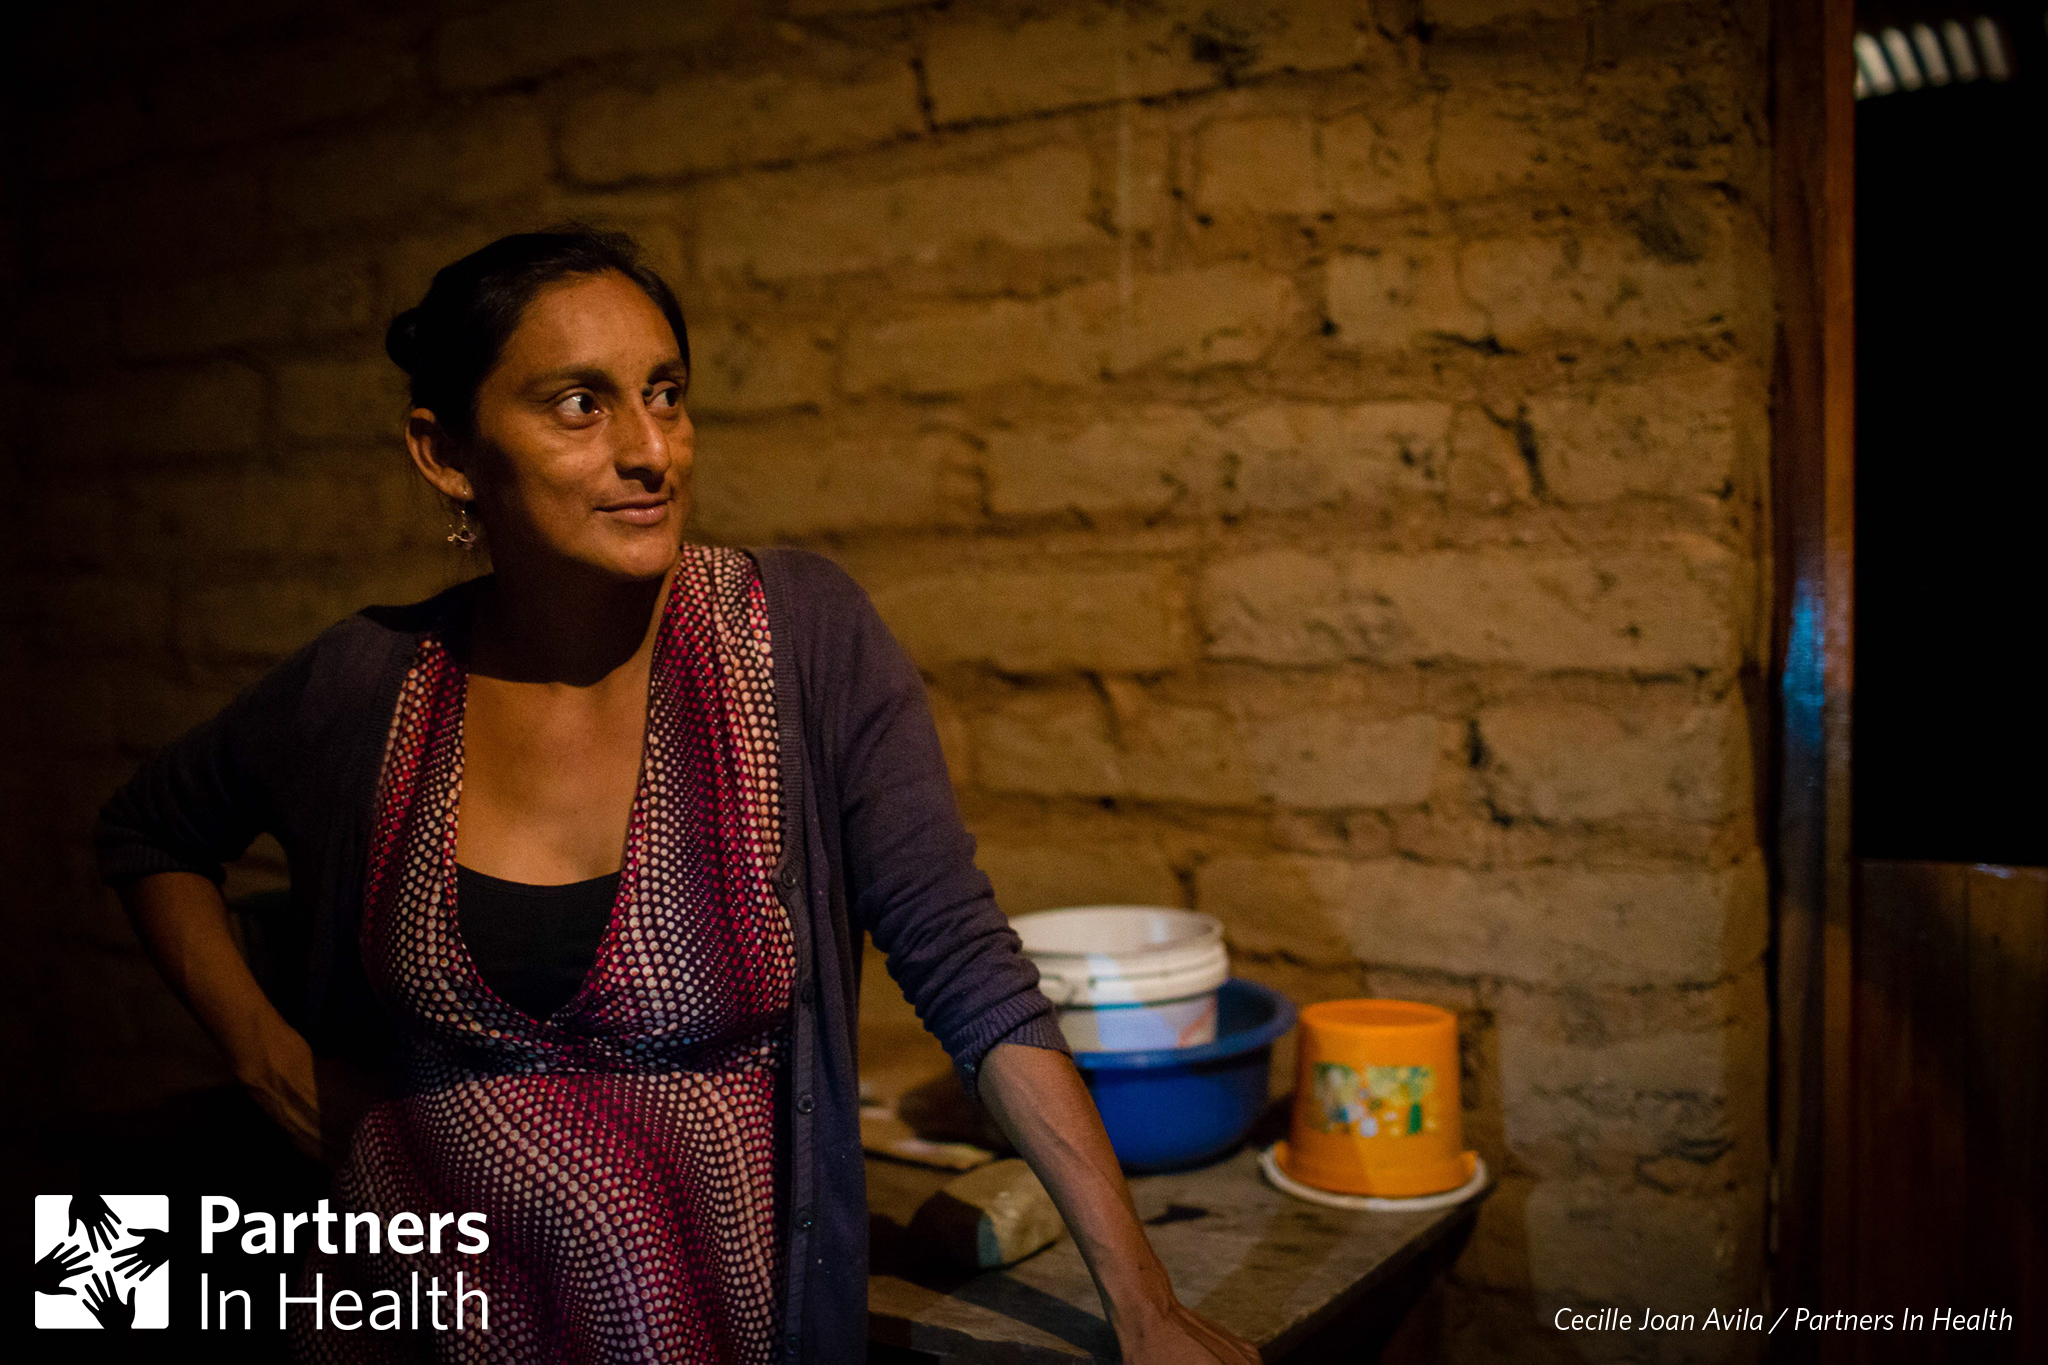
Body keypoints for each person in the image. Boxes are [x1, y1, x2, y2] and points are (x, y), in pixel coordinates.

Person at [97, 228, 1259, 1365]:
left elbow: (963, 966)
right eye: (578, 404)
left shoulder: (792, 641)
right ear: (445, 453)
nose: (649, 448)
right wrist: (266, 1057)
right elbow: (151, 830)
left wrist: (1140, 1299)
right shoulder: (371, 686)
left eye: (665, 392)